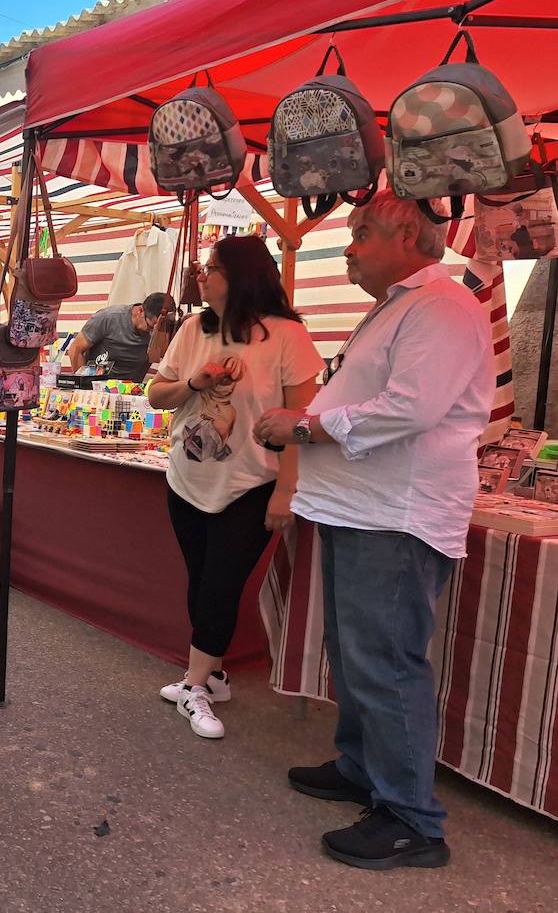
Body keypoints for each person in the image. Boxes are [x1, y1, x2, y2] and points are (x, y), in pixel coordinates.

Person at [257, 192, 493, 870]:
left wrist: (304, 424)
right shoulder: (404, 305)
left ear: (411, 235)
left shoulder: (442, 306)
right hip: (364, 508)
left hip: (396, 513)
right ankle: (364, 767)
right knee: (362, 653)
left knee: (386, 660)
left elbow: (409, 409)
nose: (349, 246)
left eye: (362, 232)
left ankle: (411, 819)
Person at [147, 237, 322, 741]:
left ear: (242, 276)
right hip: (186, 479)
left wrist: (286, 490)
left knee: (221, 584)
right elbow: (157, 395)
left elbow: (299, 423)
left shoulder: (288, 337)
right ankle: (213, 675)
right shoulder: (192, 328)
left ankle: (193, 685)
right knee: (201, 580)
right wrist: (194, 384)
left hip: (250, 485)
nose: (202, 275)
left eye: (213, 268)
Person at [66, 292, 173, 379]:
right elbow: (75, 349)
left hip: (130, 389)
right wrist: (84, 385)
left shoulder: (163, 329)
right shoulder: (109, 318)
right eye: (150, 327)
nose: (152, 334)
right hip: (99, 384)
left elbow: (156, 358)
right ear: (140, 311)